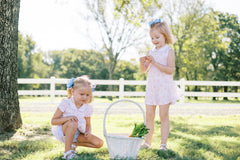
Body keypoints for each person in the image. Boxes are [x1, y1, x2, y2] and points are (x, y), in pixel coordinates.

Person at [139, 19, 182, 151]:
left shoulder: (169, 51)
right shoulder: (150, 52)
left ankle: (163, 144)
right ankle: (148, 142)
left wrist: (155, 63)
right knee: (149, 116)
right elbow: (144, 70)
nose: (154, 40)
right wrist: (142, 62)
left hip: (164, 88)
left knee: (163, 116)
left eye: (157, 37)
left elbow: (170, 70)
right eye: (152, 38)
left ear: (165, 35)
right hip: (152, 88)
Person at [51, 76, 104, 159]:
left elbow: (88, 124)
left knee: (99, 143)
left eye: (87, 95)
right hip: (63, 131)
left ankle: (73, 144)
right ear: (72, 91)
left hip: (77, 134)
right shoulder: (65, 103)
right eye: (82, 94)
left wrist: (88, 131)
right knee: (73, 122)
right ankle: (67, 152)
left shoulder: (88, 108)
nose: (85, 97)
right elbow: (53, 121)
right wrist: (68, 118)